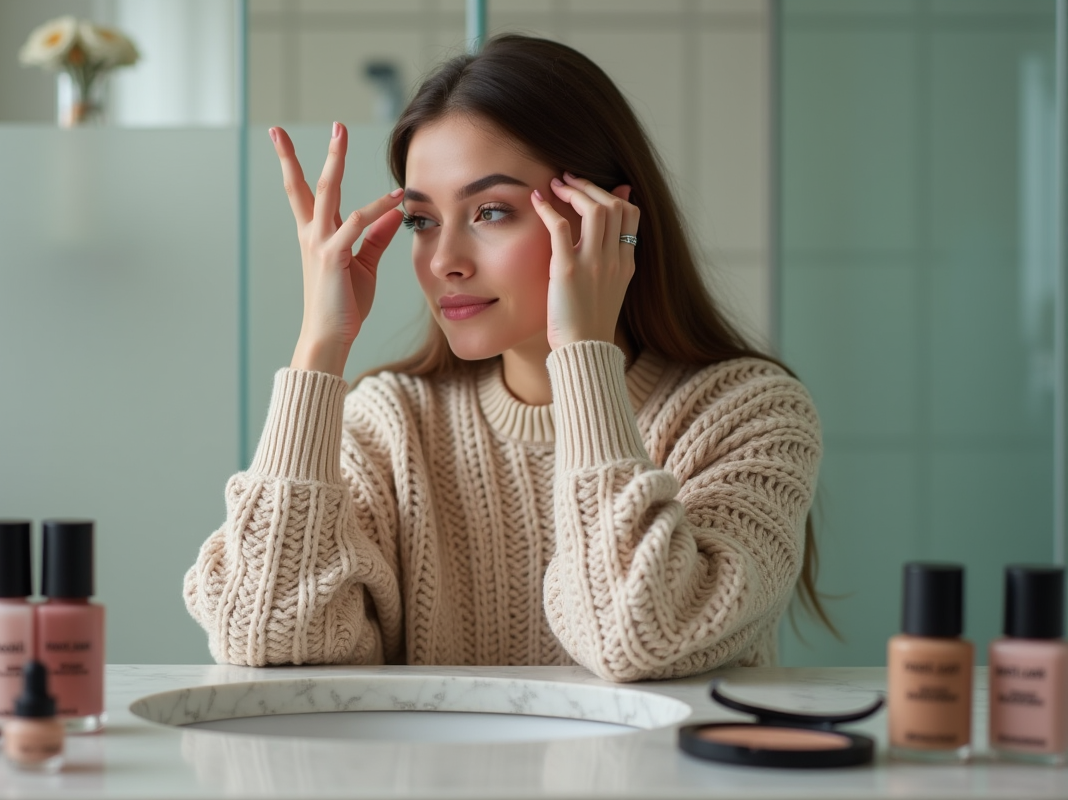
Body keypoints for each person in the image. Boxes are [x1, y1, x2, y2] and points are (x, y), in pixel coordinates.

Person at [184, 34, 825, 682]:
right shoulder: (392, 426)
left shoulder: (749, 414)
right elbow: (263, 632)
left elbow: (634, 636)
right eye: (422, 221)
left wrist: (582, 355)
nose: (443, 261)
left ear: (604, 218)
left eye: (491, 211)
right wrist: (318, 351)